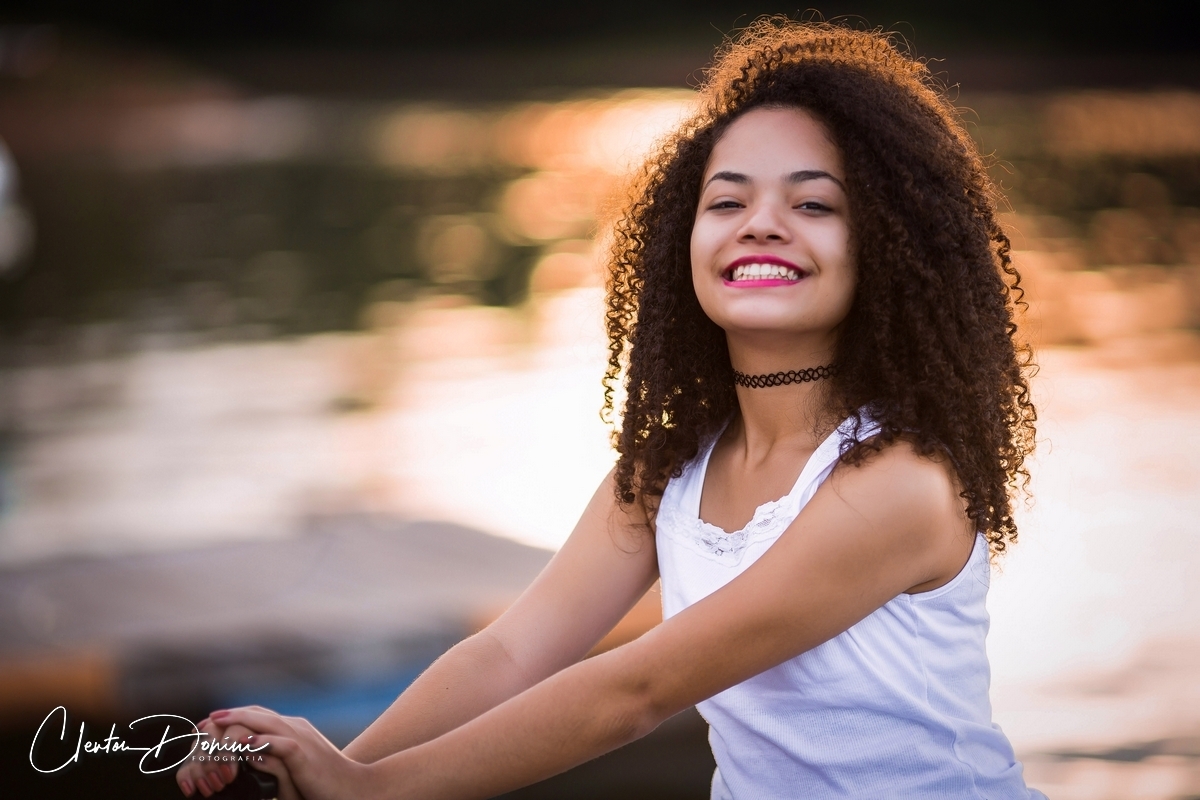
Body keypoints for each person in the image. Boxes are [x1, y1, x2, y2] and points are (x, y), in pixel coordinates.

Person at [178, 18, 1042, 800]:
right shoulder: (666, 473)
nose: (762, 224)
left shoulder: (898, 484)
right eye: (728, 201)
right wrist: (332, 771)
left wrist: (369, 793)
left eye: (814, 204)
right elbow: (509, 653)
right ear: (683, 241)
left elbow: (638, 691)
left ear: (889, 250)